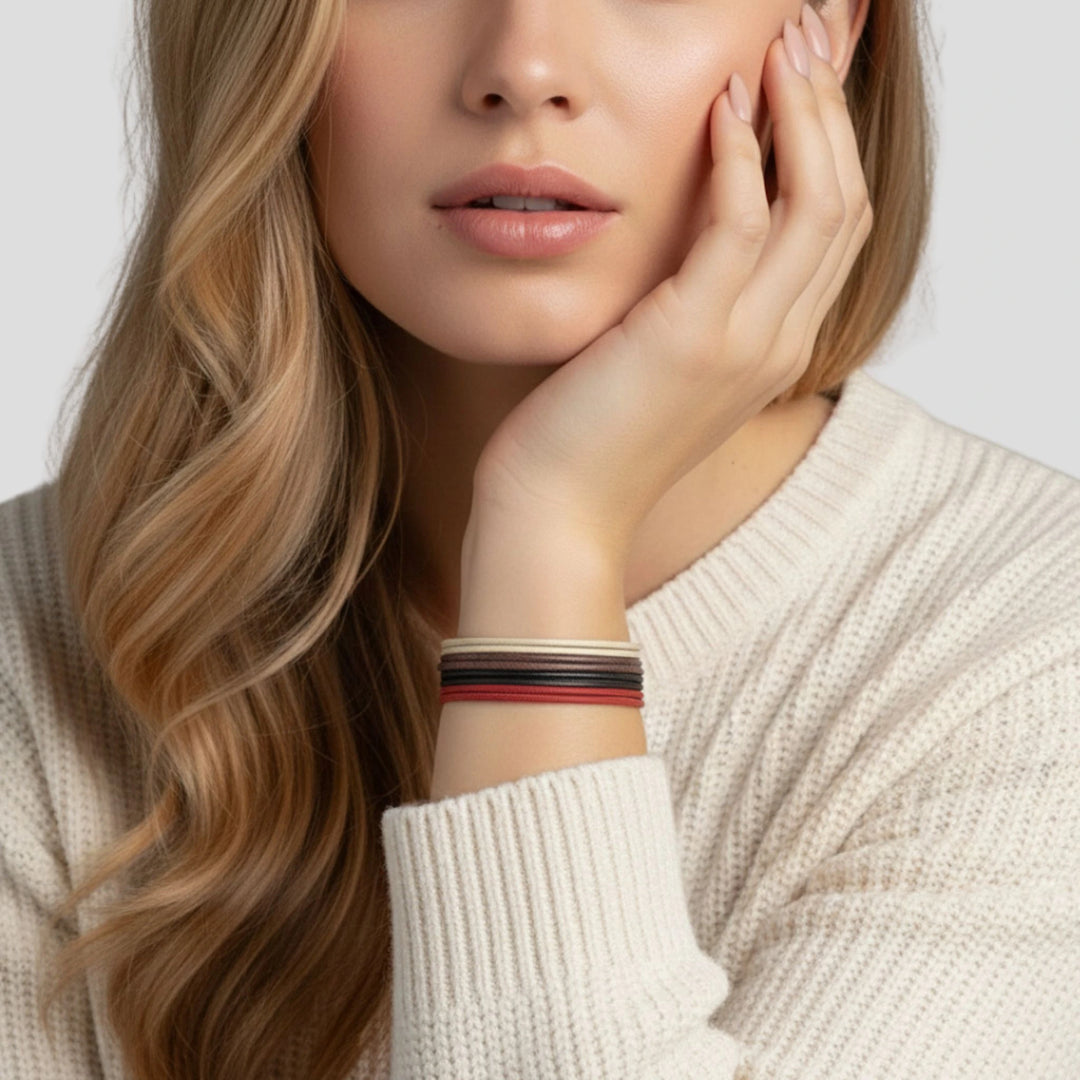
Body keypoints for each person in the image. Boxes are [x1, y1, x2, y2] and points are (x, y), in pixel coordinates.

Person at [2, 0, 1078, 1077]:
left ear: (831, 27)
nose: (525, 68)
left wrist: (551, 536)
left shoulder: (1029, 657)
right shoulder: (30, 631)